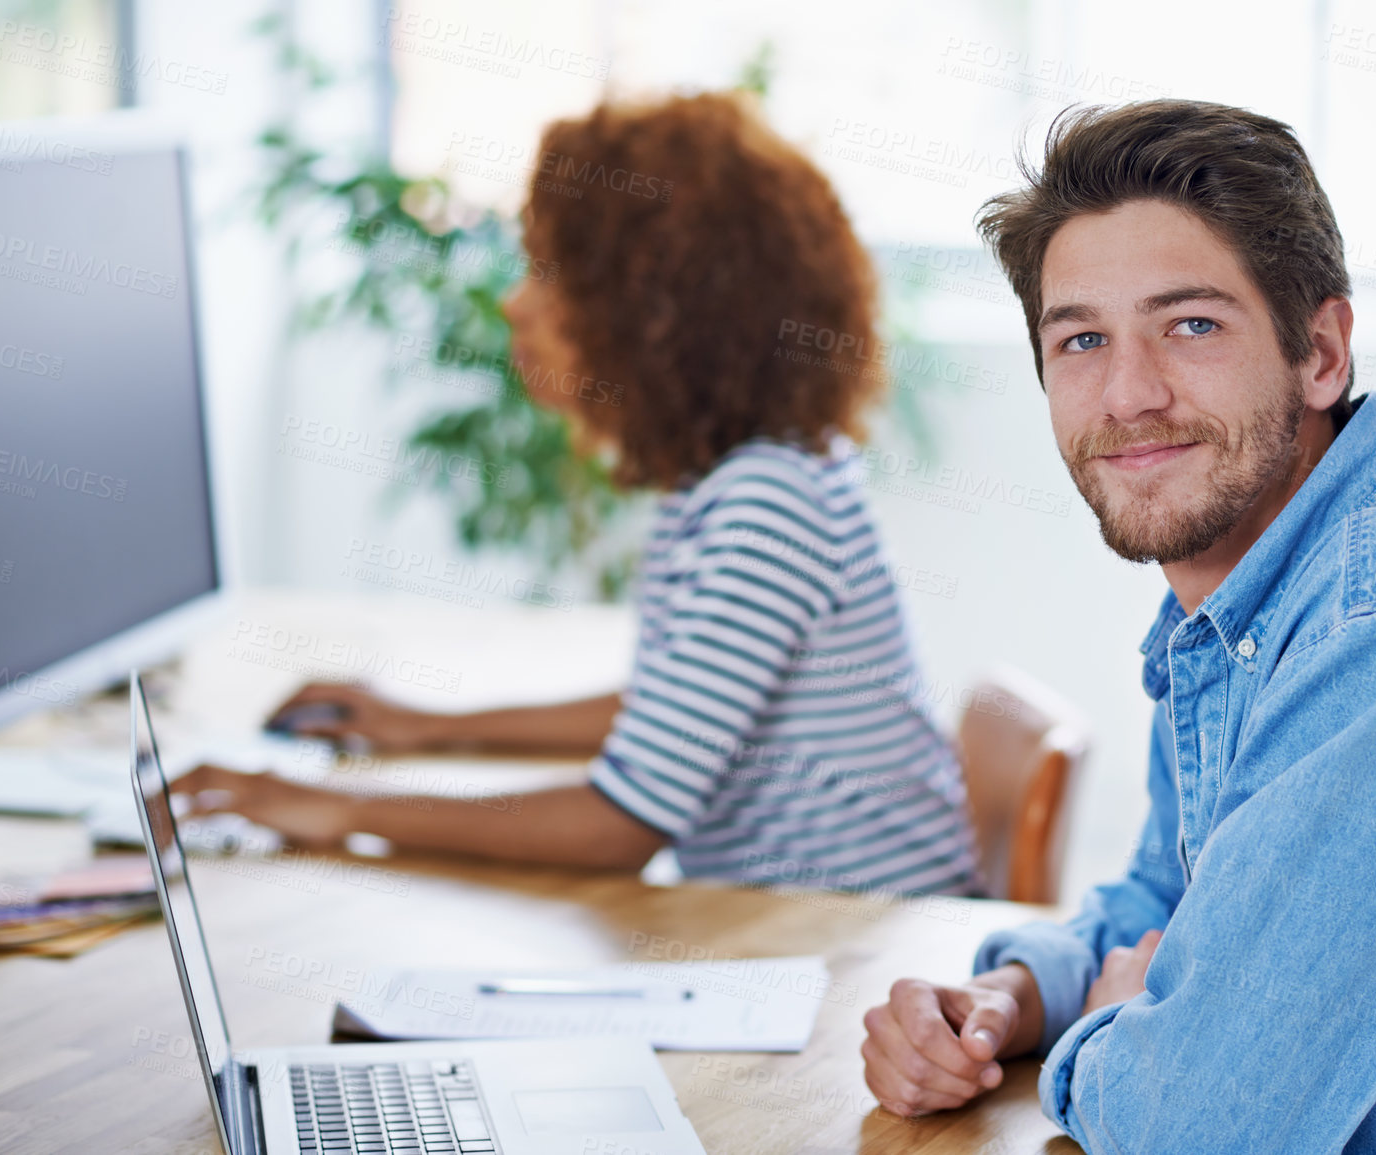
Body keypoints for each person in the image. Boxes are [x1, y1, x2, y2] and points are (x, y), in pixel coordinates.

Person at [860, 98, 1376, 1150]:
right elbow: (1169, 898)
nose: (1128, 393)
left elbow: (1196, 1126)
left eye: (1192, 325)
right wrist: (1013, 996)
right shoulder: (1250, 594)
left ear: (1321, 351)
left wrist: (1106, 1025)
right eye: (1081, 339)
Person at [179, 93, 979, 898]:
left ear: (658, 317)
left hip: (867, 948)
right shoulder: (745, 472)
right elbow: (671, 706)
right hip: (824, 930)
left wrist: (332, 805)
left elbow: (618, 822)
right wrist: (429, 726)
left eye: (548, 275)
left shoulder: (764, 504)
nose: (513, 302)